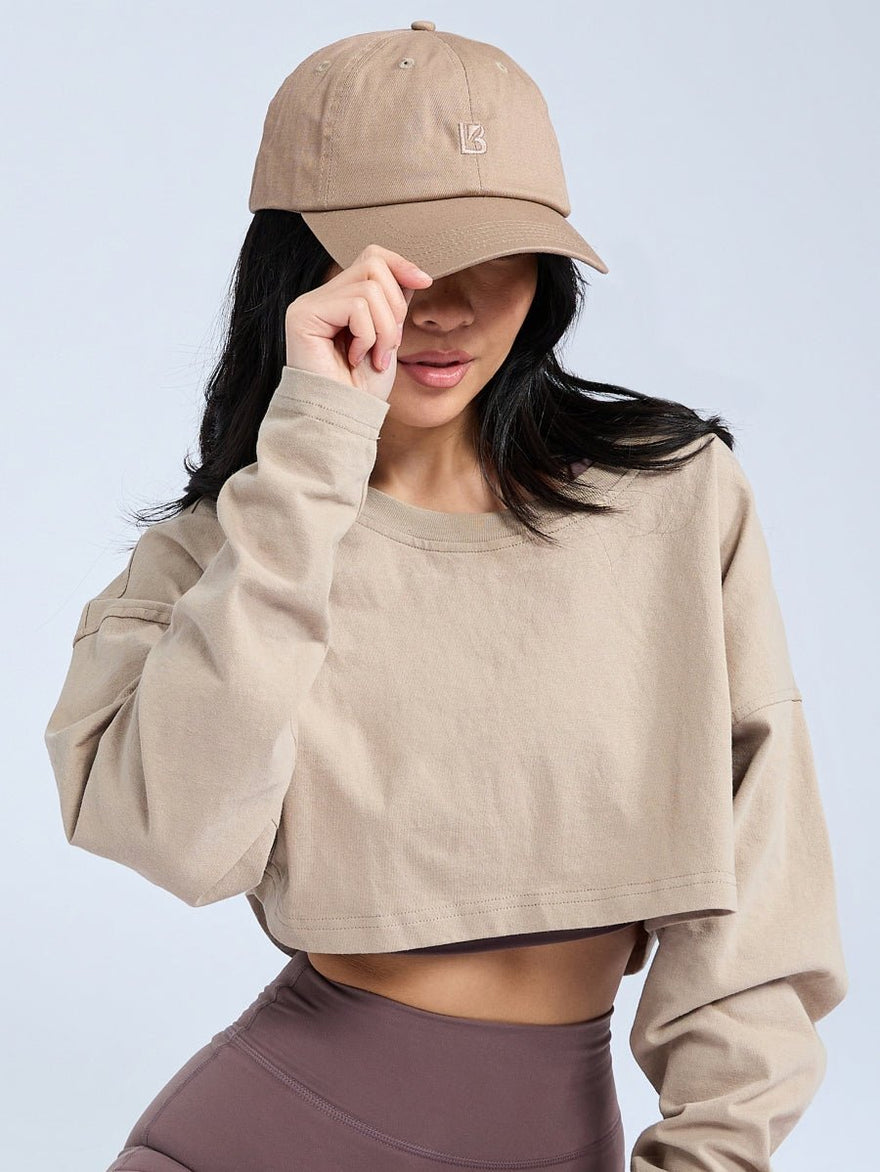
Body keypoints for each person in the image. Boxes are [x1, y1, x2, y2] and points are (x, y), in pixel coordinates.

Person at [43, 20, 847, 1172]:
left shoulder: (672, 500)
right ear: (301, 267)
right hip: (260, 1133)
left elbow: (764, 877)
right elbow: (181, 840)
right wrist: (313, 450)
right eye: (406, 259)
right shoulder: (223, 551)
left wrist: (715, 1148)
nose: (451, 305)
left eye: (497, 250)